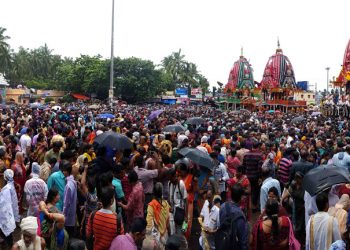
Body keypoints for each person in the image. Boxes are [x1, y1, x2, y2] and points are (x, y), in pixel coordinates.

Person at [86, 186, 124, 250]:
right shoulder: (117, 220)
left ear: (100, 199)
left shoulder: (93, 215)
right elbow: (121, 240)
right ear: (112, 200)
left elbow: (88, 235)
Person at [216, 184, 248, 250]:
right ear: (241, 197)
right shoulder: (240, 215)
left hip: (222, 243)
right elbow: (243, 239)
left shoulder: (223, 206)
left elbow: (220, 223)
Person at [144, 182, 170, 249]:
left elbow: (149, 224)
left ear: (153, 192)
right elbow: (167, 220)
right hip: (164, 234)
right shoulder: (166, 204)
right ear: (162, 192)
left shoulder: (151, 205)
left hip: (156, 237)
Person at [243, 141, 263, 212]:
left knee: (248, 190)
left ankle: (247, 206)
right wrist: (260, 177)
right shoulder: (260, 155)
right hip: (255, 176)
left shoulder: (246, 154)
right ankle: (254, 207)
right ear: (258, 147)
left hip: (248, 175)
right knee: (255, 191)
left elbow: (244, 165)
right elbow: (259, 168)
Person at [168, 168, 188, 235]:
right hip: (172, 213)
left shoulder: (181, 184)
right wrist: (169, 206)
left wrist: (186, 216)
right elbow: (169, 196)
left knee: (181, 233)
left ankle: (185, 245)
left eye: (171, 178)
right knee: (173, 233)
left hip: (180, 213)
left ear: (175, 176)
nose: (170, 180)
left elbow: (186, 200)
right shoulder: (169, 183)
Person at [62, 161, 77, 237]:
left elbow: (66, 203)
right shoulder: (73, 182)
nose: (62, 172)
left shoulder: (69, 185)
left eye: (63, 171)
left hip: (68, 218)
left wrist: (63, 216)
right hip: (72, 215)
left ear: (66, 172)